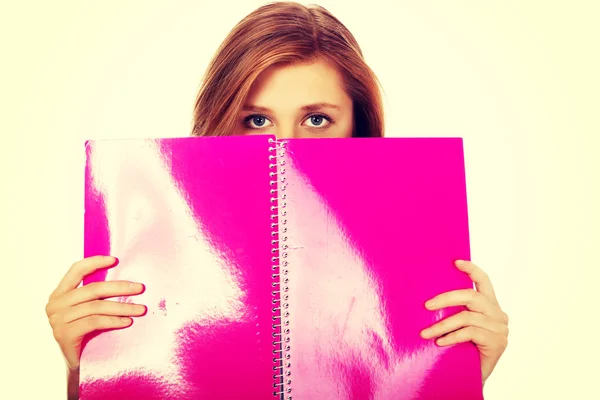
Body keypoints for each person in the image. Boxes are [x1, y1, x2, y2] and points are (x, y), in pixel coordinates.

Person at [45, 2, 509, 398]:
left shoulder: (415, 262)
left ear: (358, 125)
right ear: (222, 121)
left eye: (317, 119)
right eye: (258, 121)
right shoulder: (152, 245)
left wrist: (462, 375)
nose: (287, 143)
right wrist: (86, 366)